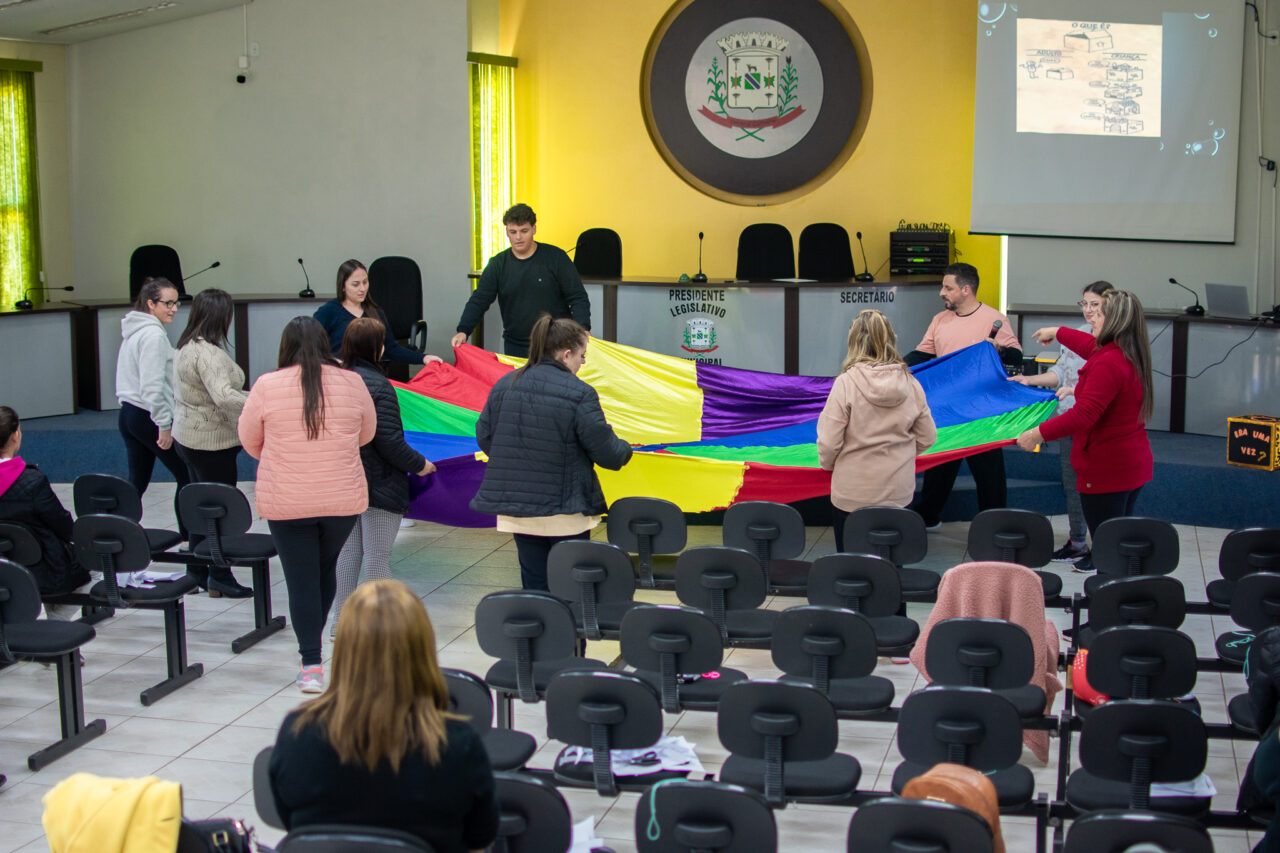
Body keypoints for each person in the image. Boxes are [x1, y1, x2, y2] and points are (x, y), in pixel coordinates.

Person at [268, 579, 498, 853]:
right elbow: (480, 838)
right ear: (423, 648)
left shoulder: (297, 732)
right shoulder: (457, 744)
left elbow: (293, 824)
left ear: (344, 649)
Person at [239, 316, 376, 692]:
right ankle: (312, 646)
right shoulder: (353, 381)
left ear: (285, 347)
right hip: (341, 499)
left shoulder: (267, 385)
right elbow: (367, 434)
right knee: (323, 570)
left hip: (288, 500)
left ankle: (311, 663)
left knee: (301, 579)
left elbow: (250, 441)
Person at [471, 314, 632, 590]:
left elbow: (486, 438)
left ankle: (540, 633)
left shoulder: (504, 385)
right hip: (565, 511)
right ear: (567, 354)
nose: (583, 363)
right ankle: (569, 635)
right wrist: (625, 449)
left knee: (534, 586)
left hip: (517, 508)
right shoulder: (580, 393)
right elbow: (607, 453)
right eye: (583, 356)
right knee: (571, 589)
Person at [1015, 290, 1154, 574]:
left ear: (1114, 321)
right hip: (1129, 464)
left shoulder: (1108, 361)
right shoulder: (1124, 351)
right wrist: (1058, 332)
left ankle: (1105, 609)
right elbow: (1089, 345)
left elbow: (1085, 414)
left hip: (1107, 470)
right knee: (1118, 544)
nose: (1092, 317)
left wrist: (1037, 434)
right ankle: (1115, 607)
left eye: (1099, 312)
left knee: (1107, 550)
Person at [330, 318, 436, 632]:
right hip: (379, 483)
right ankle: (377, 629)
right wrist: (420, 464)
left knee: (347, 554)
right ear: (375, 348)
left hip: (344, 482)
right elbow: (388, 441)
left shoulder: (336, 381)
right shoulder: (379, 386)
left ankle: (341, 624)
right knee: (377, 556)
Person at [904, 262, 1021, 530]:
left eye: (948, 287)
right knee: (940, 466)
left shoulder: (995, 319)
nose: (942, 292)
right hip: (946, 406)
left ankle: (994, 524)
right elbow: (923, 354)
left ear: (966, 289)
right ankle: (929, 516)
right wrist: (893, 365)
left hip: (982, 409)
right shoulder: (940, 320)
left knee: (989, 471)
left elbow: (1015, 356)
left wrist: (999, 350)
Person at [1008, 281, 1114, 566]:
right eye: (1085, 304)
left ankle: (1102, 547)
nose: (1089, 311)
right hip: (1069, 423)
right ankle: (1078, 542)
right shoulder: (1079, 335)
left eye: (1096, 305)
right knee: (1073, 485)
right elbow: (1060, 374)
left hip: (1099, 429)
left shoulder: (1116, 343)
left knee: (1100, 489)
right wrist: (1029, 380)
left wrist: (1040, 434)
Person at [817, 310, 937, 552]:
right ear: (890, 338)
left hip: (852, 493)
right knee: (893, 568)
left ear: (853, 341)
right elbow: (928, 437)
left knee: (853, 570)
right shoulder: (911, 383)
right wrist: (901, 452)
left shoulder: (845, 383)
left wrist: (830, 465)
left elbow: (829, 443)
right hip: (898, 494)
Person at [171, 288, 254, 597]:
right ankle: (219, 574)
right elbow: (224, 396)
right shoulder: (209, 354)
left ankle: (196, 569)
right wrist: (257, 398)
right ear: (222, 317)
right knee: (219, 509)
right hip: (212, 444)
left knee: (198, 506)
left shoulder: (185, 345)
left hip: (187, 437)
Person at [451, 204, 591, 357]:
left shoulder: (556, 257)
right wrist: (463, 330)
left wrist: (582, 328)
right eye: (513, 232)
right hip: (516, 345)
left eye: (524, 231)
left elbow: (577, 297)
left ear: (534, 229)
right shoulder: (498, 264)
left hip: (556, 342)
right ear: (507, 232)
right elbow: (479, 300)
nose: (518, 237)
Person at [116, 277, 191, 540]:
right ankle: (190, 542)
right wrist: (164, 425)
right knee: (187, 476)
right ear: (150, 303)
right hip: (147, 415)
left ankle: (112, 538)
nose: (173, 308)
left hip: (128, 413)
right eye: (167, 303)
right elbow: (152, 386)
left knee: (137, 481)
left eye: (176, 303)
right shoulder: (152, 334)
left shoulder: (135, 330)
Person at [0, 406, 90, 612]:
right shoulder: (32, 481)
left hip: (6, 568)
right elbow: (63, 526)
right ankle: (58, 627)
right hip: (43, 571)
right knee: (83, 563)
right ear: (16, 435)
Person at [314, 259, 442, 367]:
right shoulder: (328, 312)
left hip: (370, 374)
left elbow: (392, 348)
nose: (362, 289)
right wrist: (330, 361)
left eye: (365, 282)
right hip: (341, 375)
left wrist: (423, 358)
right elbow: (310, 346)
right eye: (355, 284)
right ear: (343, 286)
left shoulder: (375, 312)